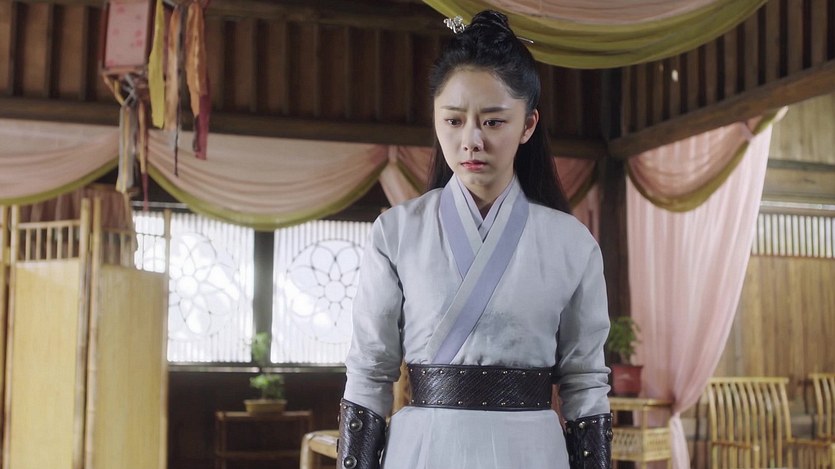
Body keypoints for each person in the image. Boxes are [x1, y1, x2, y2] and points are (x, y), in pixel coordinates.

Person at [338, 10, 612, 469]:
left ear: (528, 125)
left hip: (532, 453)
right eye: (453, 120)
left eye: (493, 122)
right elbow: (369, 371)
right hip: (423, 452)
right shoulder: (396, 232)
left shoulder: (572, 244)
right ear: (435, 119)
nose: (471, 141)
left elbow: (585, 382)